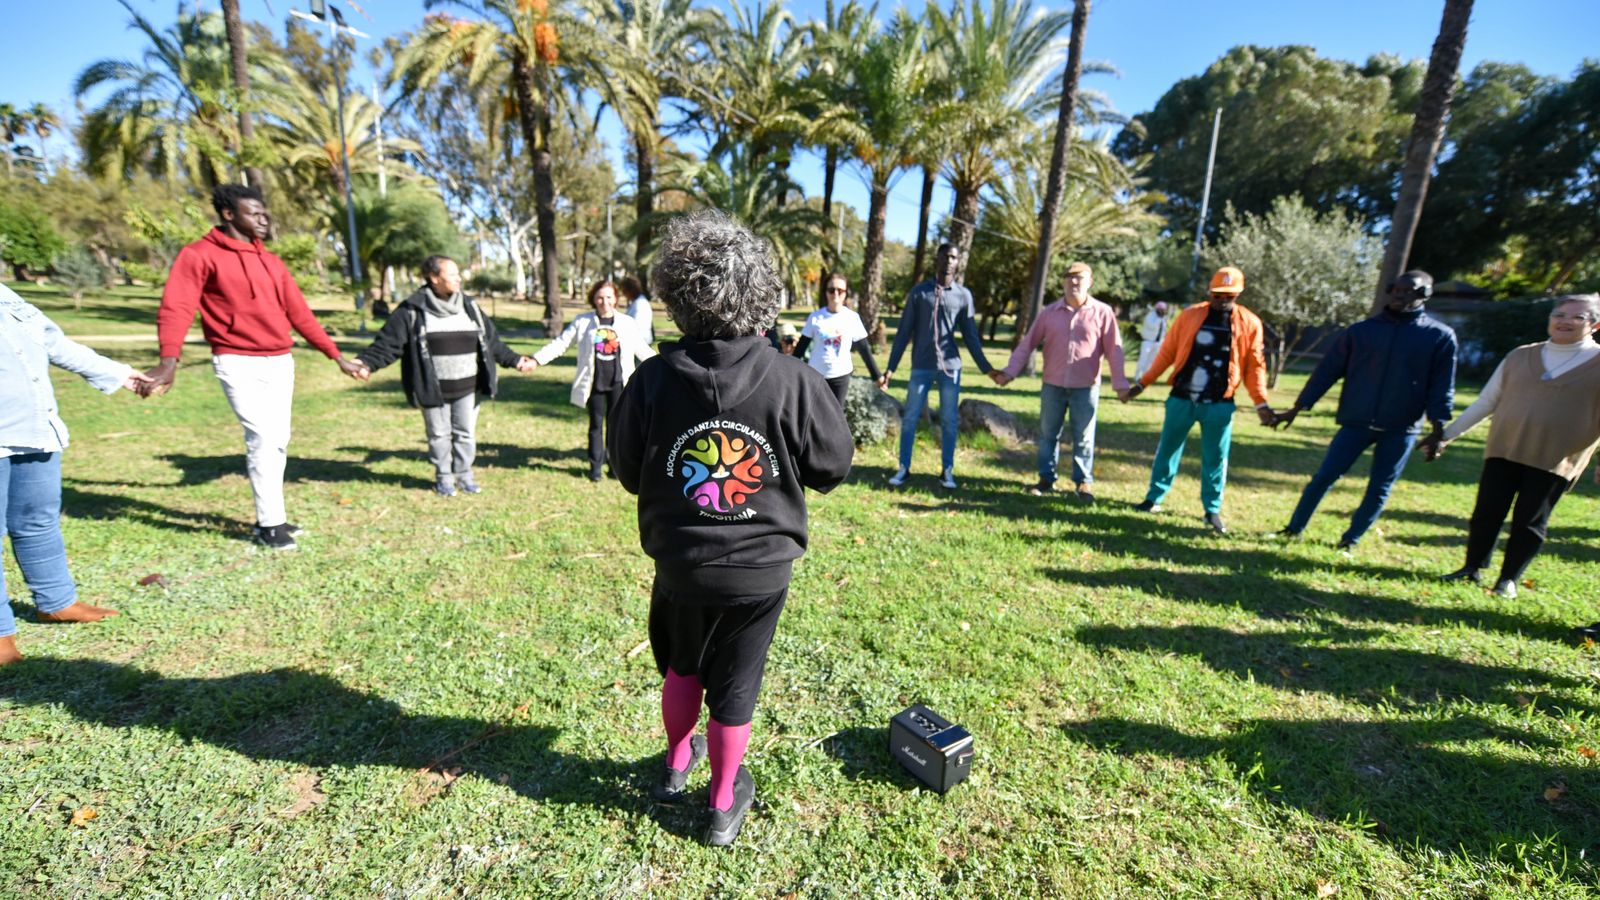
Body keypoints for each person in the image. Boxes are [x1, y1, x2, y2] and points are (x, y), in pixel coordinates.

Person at [608, 210, 854, 847]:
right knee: (738, 681)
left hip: (680, 563)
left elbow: (628, 470)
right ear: (760, 292)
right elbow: (832, 465)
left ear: (677, 295)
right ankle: (721, 804)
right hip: (760, 571)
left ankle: (675, 765)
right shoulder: (794, 380)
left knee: (682, 664)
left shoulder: (650, 380)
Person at [143, 184, 367, 551]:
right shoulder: (199, 255)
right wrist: (169, 361)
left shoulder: (272, 261)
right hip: (236, 360)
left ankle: (274, 517)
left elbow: (300, 313)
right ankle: (269, 525)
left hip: (280, 360)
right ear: (229, 214)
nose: (264, 219)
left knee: (278, 440)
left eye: (265, 213)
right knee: (262, 437)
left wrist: (336, 356)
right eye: (255, 213)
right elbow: (177, 307)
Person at [1, 284, 155, 666]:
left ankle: (57, 602)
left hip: (34, 429)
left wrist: (120, 374)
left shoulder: (6, 295)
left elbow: (54, 342)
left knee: (39, 520)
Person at [1426, 294, 1600, 599]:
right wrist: (1446, 435)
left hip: (1555, 459)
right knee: (1486, 512)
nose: (1565, 321)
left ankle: (1508, 580)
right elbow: (1487, 402)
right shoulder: (1520, 355)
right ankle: (1472, 568)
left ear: (1595, 325)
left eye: (1578, 317)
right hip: (1504, 449)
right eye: (1559, 314)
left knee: (1529, 521)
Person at [1270, 270, 1457, 551]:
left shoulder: (1439, 337)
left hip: (1401, 427)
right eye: (1396, 289)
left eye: (1408, 291)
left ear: (1424, 295)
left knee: (1380, 486)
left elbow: (1442, 386)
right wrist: (1298, 407)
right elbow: (1326, 372)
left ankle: (1350, 541)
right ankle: (1293, 529)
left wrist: (1439, 428)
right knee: (1324, 477)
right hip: (1356, 421)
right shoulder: (1362, 331)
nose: (1399, 295)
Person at [351, 255, 535, 496]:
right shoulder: (413, 309)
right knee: (439, 435)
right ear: (434, 278)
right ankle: (444, 477)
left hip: (469, 386)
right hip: (432, 387)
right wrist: (366, 362)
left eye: (458, 274)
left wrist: (515, 360)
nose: (459, 278)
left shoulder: (469, 306)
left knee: (465, 433)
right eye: (453, 274)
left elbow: (492, 342)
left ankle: (464, 475)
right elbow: (388, 343)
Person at [1126, 266, 1276, 534]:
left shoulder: (1250, 323)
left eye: (1229, 296)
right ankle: (1154, 498)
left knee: (1216, 458)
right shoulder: (1190, 315)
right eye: (1217, 294)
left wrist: (1261, 402)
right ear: (1209, 292)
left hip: (1220, 403)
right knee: (1168, 449)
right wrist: (1143, 383)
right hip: (1182, 398)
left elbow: (1255, 366)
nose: (1222, 300)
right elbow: (1167, 352)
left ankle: (1212, 510)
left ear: (1238, 294)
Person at [993, 262, 1130, 501]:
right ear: (1063, 282)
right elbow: (1027, 344)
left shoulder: (1103, 312)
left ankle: (1083, 483)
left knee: (1084, 437)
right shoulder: (1049, 312)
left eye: (1080, 278)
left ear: (1090, 282)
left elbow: (1114, 351)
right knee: (1048, 435)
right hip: (1053, 385)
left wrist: (1120, 385)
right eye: (1069, 277)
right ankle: (1046, 479)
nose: (1074, 282)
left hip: (1086, 387)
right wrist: (1010, 372)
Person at [880, 243, 996, 489]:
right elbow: (903, 332)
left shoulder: (963, 295)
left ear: (958, 262)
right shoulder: (919, 292)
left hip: (950, 368)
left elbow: (971, 336)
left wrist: (987, 368)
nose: (949, 261)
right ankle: (904, 468)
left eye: (953, 257)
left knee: (949, 421)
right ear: (937, 259)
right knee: (910, 418)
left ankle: (947, 470)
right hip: (921, 366)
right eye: (945, 256)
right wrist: (891, 368)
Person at [531, 279, 655, 481]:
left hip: (619, 383)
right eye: (600, 297)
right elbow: (561, 344)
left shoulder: (626, 323)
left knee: (617, 427)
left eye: (609, 297)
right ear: (593, 299)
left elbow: (642, 349)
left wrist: (665, 366)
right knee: (595, 426)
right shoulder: (583, 321)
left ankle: (615, 467)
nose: (604, 302)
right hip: (594, 383)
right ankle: (595, 468)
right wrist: (536, 359)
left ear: (615, 298)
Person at [794, 272, 882, 406]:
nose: (835, 293)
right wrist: (787, 372)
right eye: (831, 290)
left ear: (845, 293)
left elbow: (864, 349)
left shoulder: (852, 318)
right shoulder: (815, 317)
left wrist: (877, 376)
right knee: (813, 414)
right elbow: (800, 348)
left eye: (840, 290)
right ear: (826, 292)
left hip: (840, 376)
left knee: (835, 416)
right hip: (816, 375)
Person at [1134, 301, 1170, 380]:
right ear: (1157, 309)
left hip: (1157, 343)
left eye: (1163, 309)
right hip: (1148, 341)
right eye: (1161, 309)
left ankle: (1145, 377)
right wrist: (1159, 319)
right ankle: (1137, 376)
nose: (1162, 311)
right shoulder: (1150, 316)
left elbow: (1163, 330)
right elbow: (1152, 326)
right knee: (1143, 359)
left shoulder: (1163, 317)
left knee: (1150, 361)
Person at [620, 275, 654, 346]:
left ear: (630, 290)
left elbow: (637, 327)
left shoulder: (640, 304)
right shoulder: (635, 302)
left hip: (640, 344)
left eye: (624, 291)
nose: (623, 293)